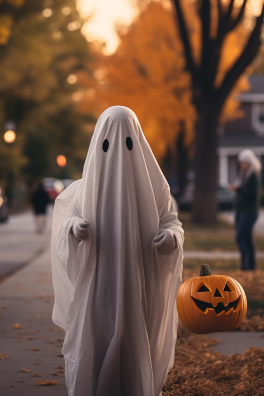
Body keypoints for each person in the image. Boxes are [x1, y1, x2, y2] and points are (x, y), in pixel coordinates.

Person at [51, 106, 184, 396]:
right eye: (108, 146)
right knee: (98, 332)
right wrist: (74, 227)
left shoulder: (155, 188)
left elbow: (171, 221)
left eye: (128, 144)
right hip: (100, 280)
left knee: (138, 334)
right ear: (99, 143)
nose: (119, 156)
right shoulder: (86, 189)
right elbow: (69, 217)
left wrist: (170, 237)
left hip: (141, 279)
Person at [229, 149, 261, 271]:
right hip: (241, 210)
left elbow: (253, 193)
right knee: (247, 238)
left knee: (240, 237)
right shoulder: (243, 174)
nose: (242, 165)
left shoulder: (253, 175)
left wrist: (239, 189)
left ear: (249, 162)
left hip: (249, 211)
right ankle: (251, 266)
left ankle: (246, 266)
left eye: (244, 162)